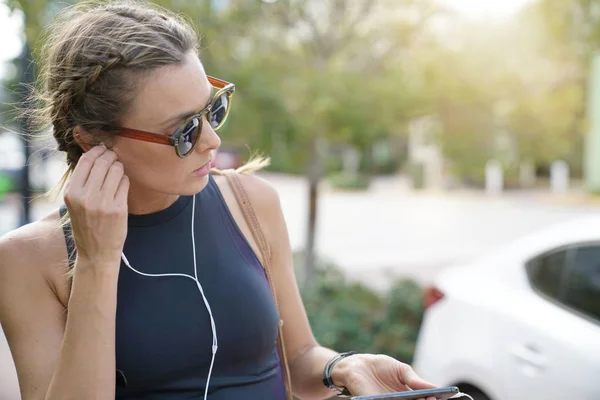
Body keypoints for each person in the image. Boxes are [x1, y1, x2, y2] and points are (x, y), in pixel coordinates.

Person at [0, 2, 439, 399]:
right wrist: (96, 262)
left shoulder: (251, 204)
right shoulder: (29, 260)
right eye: (183, 131)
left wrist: (341, 367)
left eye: (213, 110)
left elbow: (299, 358)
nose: (213, 140)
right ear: (94, 139)